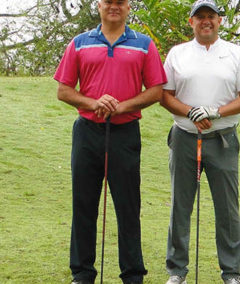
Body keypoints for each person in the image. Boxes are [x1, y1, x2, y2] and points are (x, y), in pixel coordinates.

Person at [54, 0, 167, 283]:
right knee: (84, 203)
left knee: (128, 205)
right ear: (99, 6)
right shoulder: (79, 43)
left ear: (128, 7)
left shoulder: (144, 44)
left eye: (120, 2)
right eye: (108, 2)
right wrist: (94, 103)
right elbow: (64, 91)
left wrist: (122, 106)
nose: (114, 6)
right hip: (87, 131)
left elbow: (155, 91)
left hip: (125, 133)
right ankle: (82, 273)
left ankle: (132, 274)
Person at [161, 0, 240, 283]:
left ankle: (231, 272)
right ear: (191, 22)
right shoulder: (177, 54)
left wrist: (215, 112)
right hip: (185, 137)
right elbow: (165, 95)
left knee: (227, 209)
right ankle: (176, 271)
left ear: (219, 21)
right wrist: (190, 111)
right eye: (199, 17)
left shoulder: (234, 53)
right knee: (180, 205)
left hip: (222, 139)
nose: (206, 21)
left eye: (211, 17)